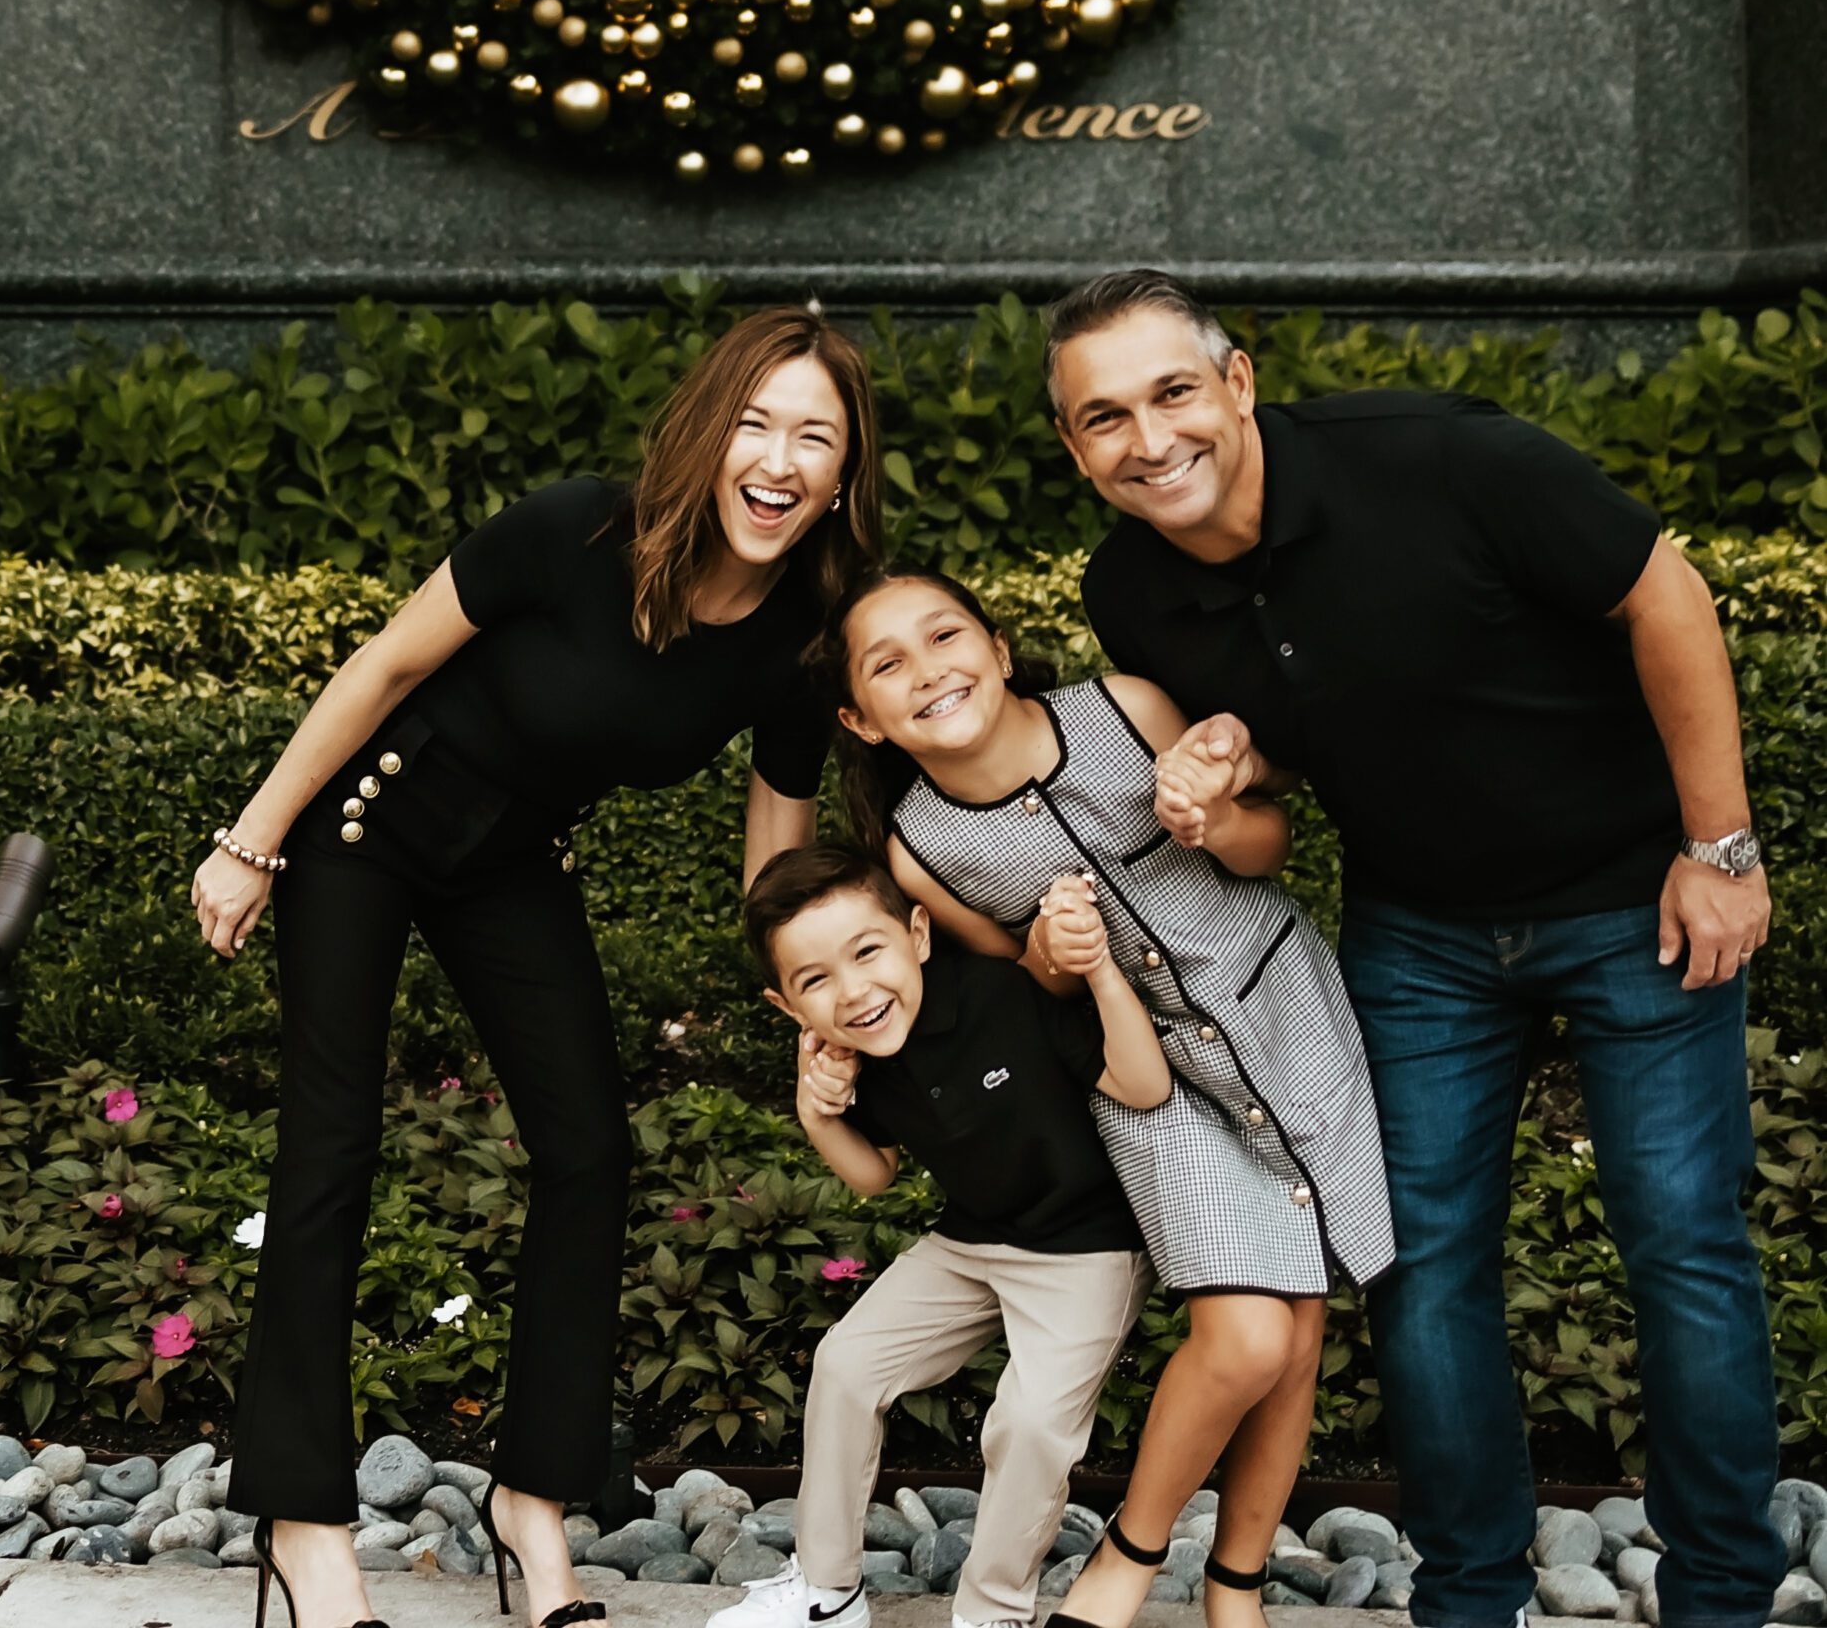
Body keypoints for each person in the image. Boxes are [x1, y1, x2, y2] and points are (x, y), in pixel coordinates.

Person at [1047, 267, 1783, 1628]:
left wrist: (1718, 848)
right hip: (1423, 934)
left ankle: (1727, 1597)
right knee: (1422, 1263)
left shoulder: (1443, 461)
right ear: (1073, 446)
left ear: (1238, 382)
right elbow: (1282, 758)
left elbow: (1663, 595)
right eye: (1102, 419)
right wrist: (1228, 762)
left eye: (1170, 393)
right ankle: (1469, 1597)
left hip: (1635, 900)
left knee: (1680, 1241)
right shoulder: (1128, 590)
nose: (1147, 441)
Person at [189, 308, 882, 1628]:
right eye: (756, 423)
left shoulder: (801, 630)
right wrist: (252, 841)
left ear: (842, 476)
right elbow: (388, 661)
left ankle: (531, 1508)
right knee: (330, 1145)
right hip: (365, 824)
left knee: (590, 1151)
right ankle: (301, 1523)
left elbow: (775, 849)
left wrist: (810, 1004)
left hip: (510, 862)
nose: (779, 459)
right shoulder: (572, 531)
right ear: (704, 432)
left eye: (814, 437)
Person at [829, 569, 1393, 1628]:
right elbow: (1017, 987)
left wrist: (1215, 819)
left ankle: (1234, 1587)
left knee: (1302, 1324)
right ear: (862, 717)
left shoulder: (1123, 710)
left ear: (996, 647)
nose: (927, 670)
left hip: (1282, 1021)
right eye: (887, 663)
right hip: (1151, 1084)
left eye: (942, 635)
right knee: (1244, 1339)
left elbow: (1271, 838)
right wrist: (1045, 955)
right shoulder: (919, 846)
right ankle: (1127, 1558)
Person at [717, 842, 1164, 1628]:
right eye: (815, 981)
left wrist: (1096, 969)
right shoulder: (854, 1053)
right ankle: (828, 1589)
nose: (853, 993)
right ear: (786, 1005)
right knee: (847, 1364)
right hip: (970, 1241)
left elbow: (1142, 1084)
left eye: (867, 953)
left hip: (1085, 1247)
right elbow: (872, 1174)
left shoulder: (999, 997)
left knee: (1029, 1423)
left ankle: (992, 1612)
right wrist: (815, 1107)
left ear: (918, 935)